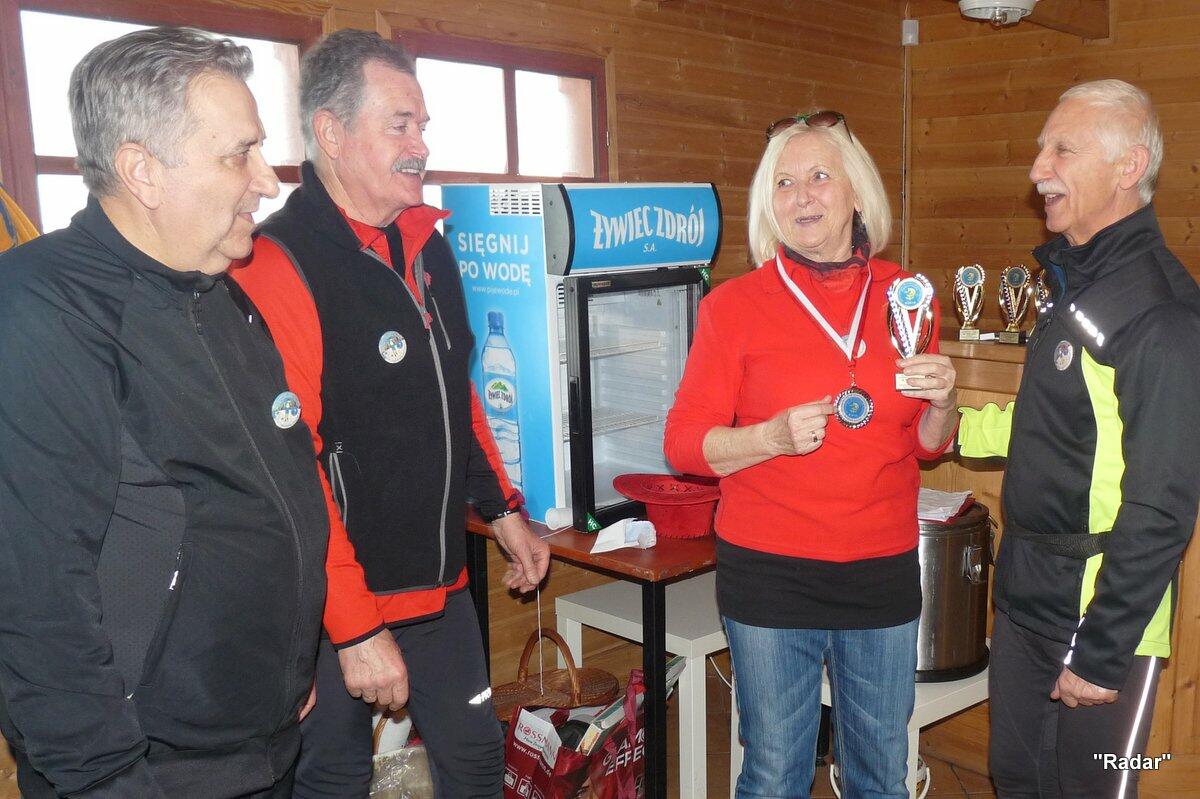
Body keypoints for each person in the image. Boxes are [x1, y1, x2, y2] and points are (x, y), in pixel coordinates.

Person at [0, 27, 328, 798]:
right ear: (142, 170)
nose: (267, 180)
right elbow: (36, 595)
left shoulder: (217, 293)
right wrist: (107, 778)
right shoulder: (43, 309)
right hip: (148, 766)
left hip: (259, 739)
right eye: (238, 154)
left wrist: (288, 662)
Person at [233, 30, 550, 798]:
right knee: (331, 780)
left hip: (437, 586)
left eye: (423, 126)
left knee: (476, 761)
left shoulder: (426, 244)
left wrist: (502, 509)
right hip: (328, 605)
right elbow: (291, 469)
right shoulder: (276, 264)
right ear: (332, 133)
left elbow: (457, 392)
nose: (421, 145)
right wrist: (354, 624)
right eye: (399, 125)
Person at [664, 111, 959, 798]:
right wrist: (767, 438)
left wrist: (945, 401)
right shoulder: (733, 307)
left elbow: (924, 443)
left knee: (880, 773)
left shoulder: (907, 297)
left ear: (857, 191)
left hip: (881, 570)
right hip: (771, 574)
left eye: (820, 176)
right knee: (774, 773)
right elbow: (682, 444)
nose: (802, 196)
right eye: (784, 182)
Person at [959, 79, 1200, 798]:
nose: (1038, 168)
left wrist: (1101, 651)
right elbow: (1055, 425)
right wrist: (947, 424)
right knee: (1017, 779)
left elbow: (1162, 503)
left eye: (1062, 149)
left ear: (1129, 167)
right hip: (1027, 598)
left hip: (1100, 618)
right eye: (1042, 148)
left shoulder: (1160, 312)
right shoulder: (1074, 282)